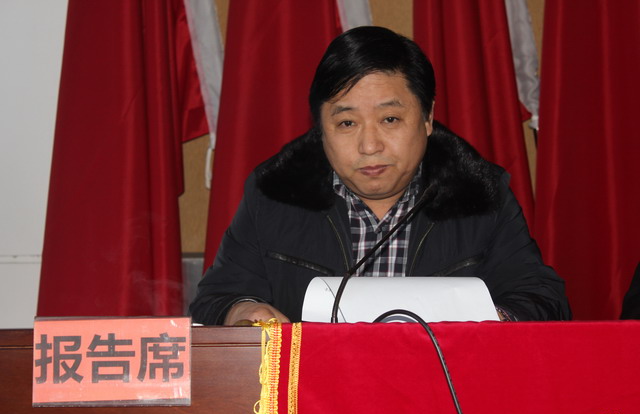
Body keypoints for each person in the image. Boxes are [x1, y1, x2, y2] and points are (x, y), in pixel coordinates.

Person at [190, 26, 571, 325]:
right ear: (320, 128)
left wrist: (493, 321)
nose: (370, 145)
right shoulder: (275, 193)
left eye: (390, 119)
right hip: (312, 394)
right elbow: (216, 297)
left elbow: (542, 297)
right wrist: (242, 311)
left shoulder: (479, 194)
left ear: (427, 118)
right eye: (347, 123)